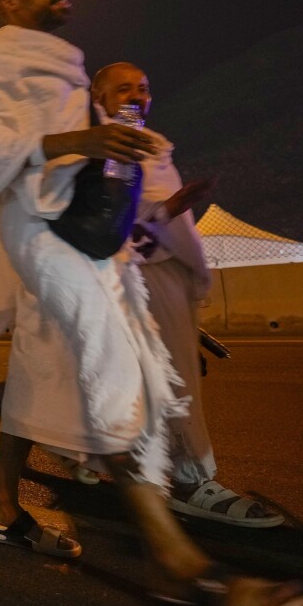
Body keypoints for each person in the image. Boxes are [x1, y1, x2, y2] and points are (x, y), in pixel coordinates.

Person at [0, 0, 303, 606]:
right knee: (115, 385)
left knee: (49, 378)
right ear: (7, 1)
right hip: (44, 240)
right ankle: (176, 563)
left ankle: (0, 502)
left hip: (84, 247)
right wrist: (82, 139)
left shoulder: (59, 59)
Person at [94, 62, 284, 528]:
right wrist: (164, 212)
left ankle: (137, 467)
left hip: (167, 279)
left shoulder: (152, 147)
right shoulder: (109, 149)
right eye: (123, 90)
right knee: (173, 383)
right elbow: (107, 223)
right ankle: (190, 480)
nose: (137, 96)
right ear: (100, 99)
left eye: (144, 88)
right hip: (140, 279)